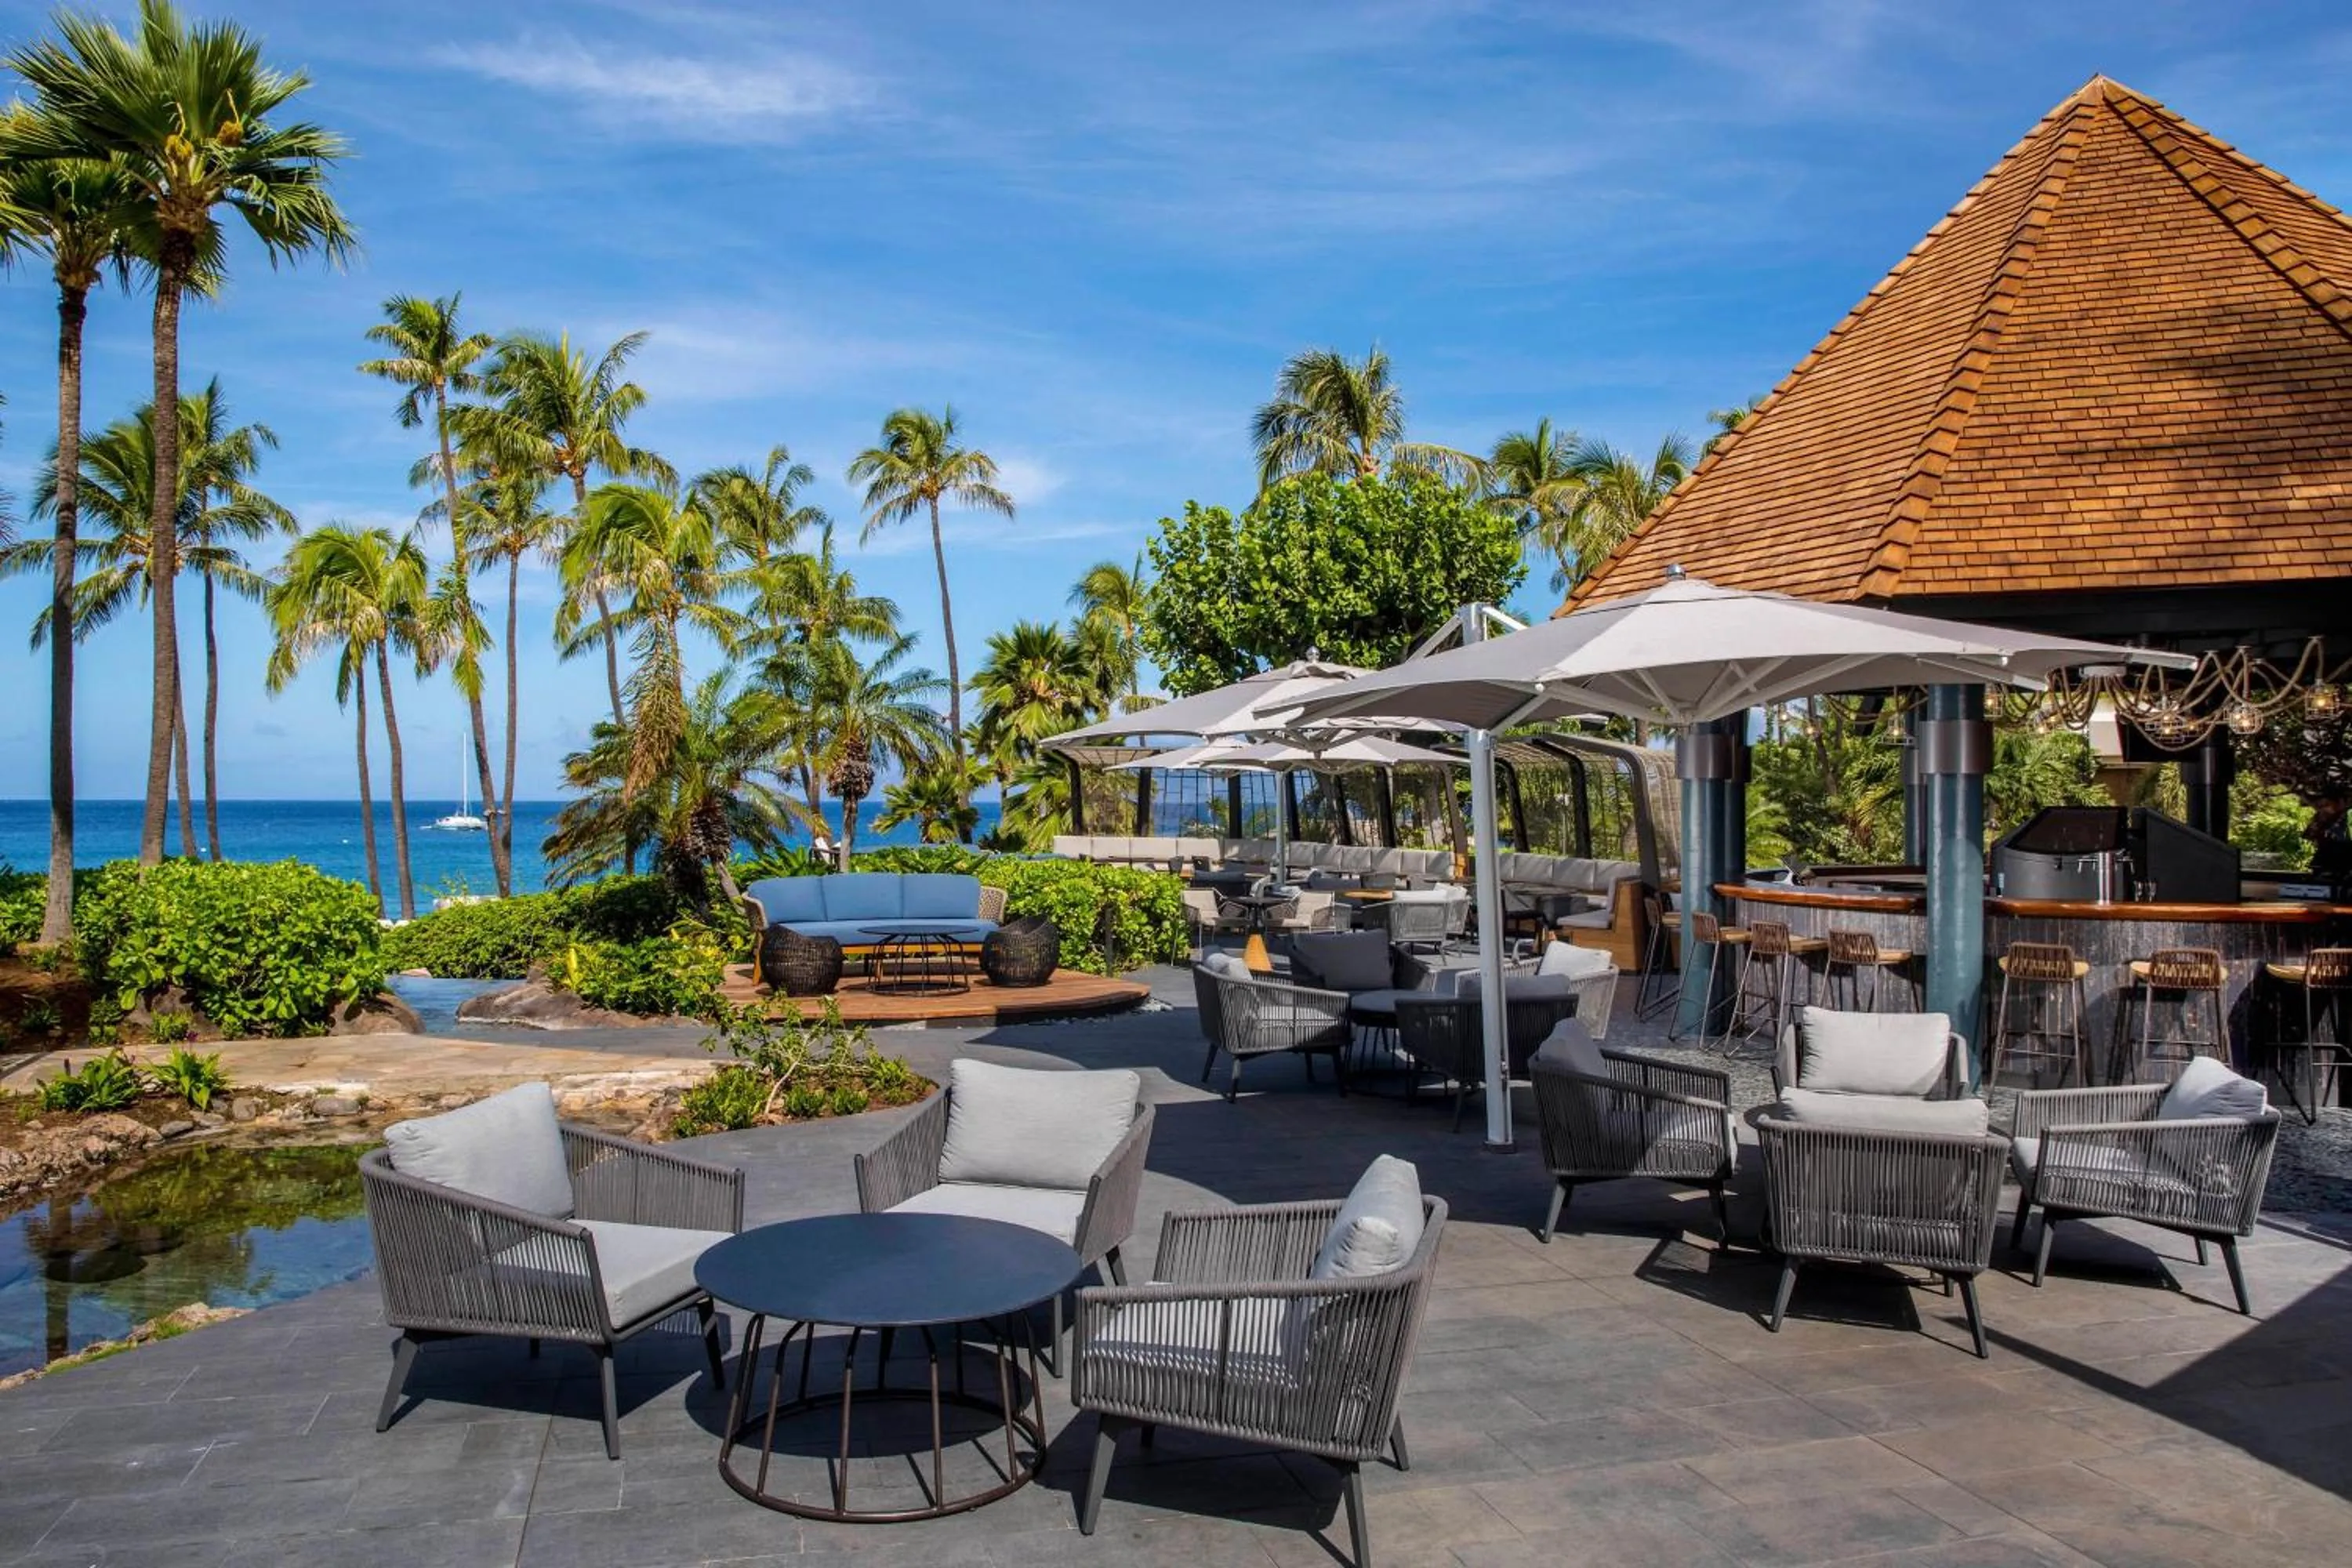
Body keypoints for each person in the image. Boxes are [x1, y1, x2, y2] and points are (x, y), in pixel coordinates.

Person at [2307, 788, 2350, 891]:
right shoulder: (2324, 816)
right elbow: (2313, 835)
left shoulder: (2345, 815)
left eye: (2327, 805)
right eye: (2322, 806)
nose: (2324, 809)